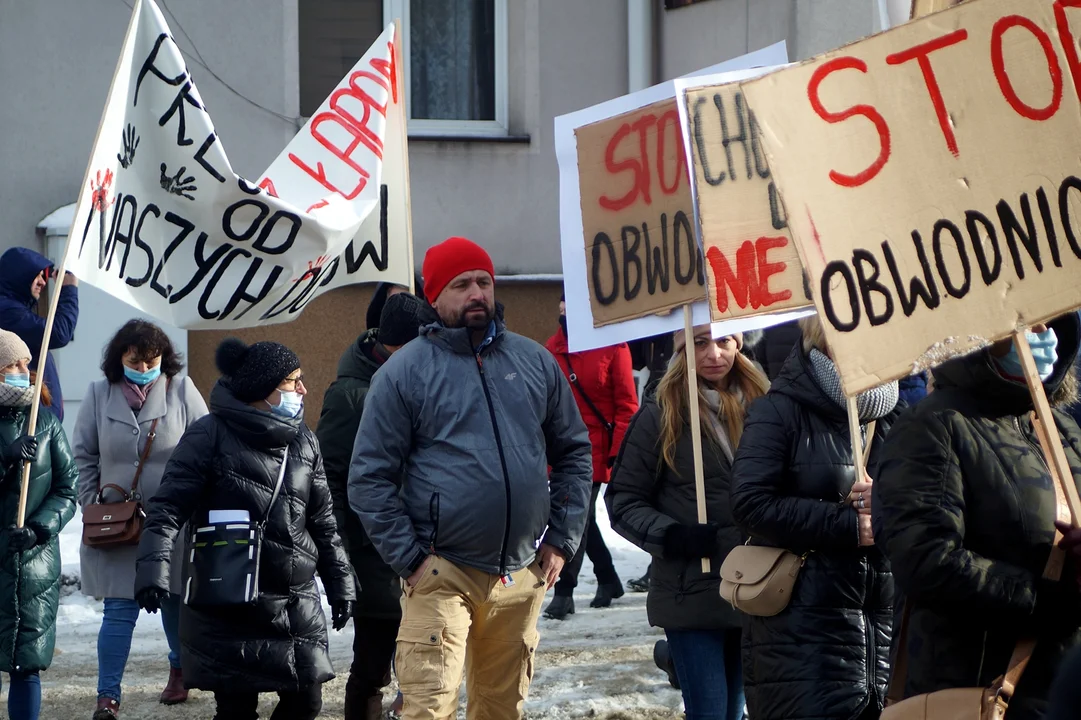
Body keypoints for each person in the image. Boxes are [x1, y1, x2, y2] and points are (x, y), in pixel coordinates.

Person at [349, 236, 593, 719]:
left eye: (483, 281)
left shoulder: (533, 361)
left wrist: (561, 540)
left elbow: (573, 452)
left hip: (521, 573)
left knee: (502, 710)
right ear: (434, 297)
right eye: (461, 284)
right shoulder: (402, 373)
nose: (476, 292)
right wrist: (413, 560)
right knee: (429, 708)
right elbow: (368, 478)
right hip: (442, 574)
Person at [134, 338, 356, 720]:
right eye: (292, 381)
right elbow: (167, 509)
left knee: (307, 703)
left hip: (294, 602)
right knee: (236, 710)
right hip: (229, 600)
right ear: (260, 388)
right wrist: (153, 569)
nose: (303, 389)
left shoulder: (304, 441)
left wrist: (342, 584)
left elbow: (323, 522)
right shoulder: (207, 436)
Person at [876, 315, 1081, 719]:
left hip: (1061, 683)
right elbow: (926, 559)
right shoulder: (933, 426)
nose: (1043, 338)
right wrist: (1053, 601)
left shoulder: (1062, 428)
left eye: (1047, 325)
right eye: (1027, 327)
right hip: (978, 687)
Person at [730, 316, 899, 720]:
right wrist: (846, 525)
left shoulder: (897, 415)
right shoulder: (778, 410)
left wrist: (893, 501)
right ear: (825, 341)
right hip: (803, 632)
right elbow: (750, 502)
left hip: (884, 626)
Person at [607, 326, 767, 720]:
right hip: (691, 592)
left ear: (739, 344)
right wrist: (674, 537)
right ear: (681, 349)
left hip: (758, 589)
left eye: (724, 340)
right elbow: (623, 500)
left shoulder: (767, 406)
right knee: (711, 713)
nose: (713, 353)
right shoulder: (661, 412)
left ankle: (671, 658)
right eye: (699, 342)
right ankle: (676, 655)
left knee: (737, 712)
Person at [72, 320, 208, 719]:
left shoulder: (182, 390)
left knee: (173, 601)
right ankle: (107, 696)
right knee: (118, 609)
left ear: (164, 359)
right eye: (135, 360)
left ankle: (179, 670)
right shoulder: (99, 394)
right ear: (120, 359)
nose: (144, 366)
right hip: (117, 524)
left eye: (152, 360)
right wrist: (91, 501)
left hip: (173, 523)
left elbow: (206, 446)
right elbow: (84, 456)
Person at [317, 292, 437, 720]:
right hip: (377, 556)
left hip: (431, 551)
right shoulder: (350, 396)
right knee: (373, 669)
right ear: (399, 347)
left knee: (426, 670)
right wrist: (342, 557)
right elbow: (329, 479)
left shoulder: (421, 380)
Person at [543, 295, 638, 620]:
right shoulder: (550, 350)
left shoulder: (613, 347)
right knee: (582, 518)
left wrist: (618, 453)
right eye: (564, 302)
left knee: (576, 516)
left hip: (596, 451)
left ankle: (564, 591)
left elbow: (627, 406)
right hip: (558, 450)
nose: (567, 308)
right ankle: (609, 578)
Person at [0, 329, 78, 720]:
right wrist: (5, 459)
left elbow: (68, 489)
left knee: (26, 666)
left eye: (25, 363)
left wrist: (38, 530)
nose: (22, 371)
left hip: (34, 565)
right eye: (11, 364)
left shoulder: (45, 422)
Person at [0, 248, 79, 422]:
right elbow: (59, 332)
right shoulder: (7, 312)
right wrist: (68, 290)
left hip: (38, 423)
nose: (43, 283)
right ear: (19, 275)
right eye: (37, 276)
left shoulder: (14, 308)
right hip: (26, 425)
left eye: (44, 276)